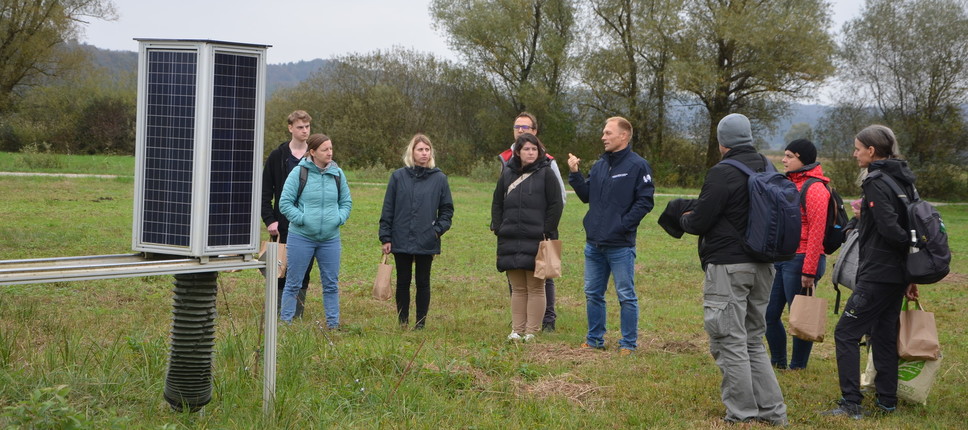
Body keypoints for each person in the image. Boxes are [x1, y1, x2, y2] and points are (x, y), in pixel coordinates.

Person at [679, 113, 787, 426]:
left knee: (729, 340)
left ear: (722, 141)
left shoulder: (722, 172)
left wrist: (683, 218)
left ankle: (742, 413)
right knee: (753, 339)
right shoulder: (768, 166)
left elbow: (700, 220)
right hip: (765, 266)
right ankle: (773, 411)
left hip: (729, 266)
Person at [822, 125, 919, 419]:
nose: (854, 154)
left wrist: (889, 238)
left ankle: (851, 403)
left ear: (872, 151)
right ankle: (887, 400)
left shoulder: (875, 180)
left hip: (878, 273)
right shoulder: (903, 177)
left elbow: (892, 228)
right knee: (885, 334)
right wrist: (909, 267)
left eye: (857, 148)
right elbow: (907, 223)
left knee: (846, 333)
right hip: (898, 273)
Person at [567, 117, 654, 355]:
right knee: (593, 293)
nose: (603, 137)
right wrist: (575, 174)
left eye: (608, 133)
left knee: (625, 295)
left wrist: (622, 225)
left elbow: (645, 201)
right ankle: (595, 339)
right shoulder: (600, 165)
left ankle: (628, 344)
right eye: (603, 133)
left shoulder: (638, 166)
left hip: (620, 245)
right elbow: (587, 196)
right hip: (594, 244)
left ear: (624, 136)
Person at [497, 112, 567, 332]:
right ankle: (518, 328)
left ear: (535, 133)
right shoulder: (507, 168)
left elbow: (558, 201)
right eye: (518, 126)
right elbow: (498, 200)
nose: (521, 131)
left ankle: (544, 324)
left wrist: (547, 228)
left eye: (526, 127)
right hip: (512, 235)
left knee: (542, 283)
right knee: (518, 286)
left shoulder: (548, 168)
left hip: (540, 235)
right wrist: (498, 226)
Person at [765, 139, 829, 370]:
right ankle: (778, 362)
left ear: (803, 159)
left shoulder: (816, 189)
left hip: (802, 260)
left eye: (790, 156)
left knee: (801, 316)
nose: (784, 160)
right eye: (784, 155)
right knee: (768, 314)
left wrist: (809, 270)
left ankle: (798, 366)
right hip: (782, 259)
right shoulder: (789, 183)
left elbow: (817, 232)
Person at [379, 133, 455, 330]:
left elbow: (447, 210)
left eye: (427, 149)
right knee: (403, 281)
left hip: (426, 238)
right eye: (420, 149)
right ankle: (402, 321)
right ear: (411, 152)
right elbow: (388, 208)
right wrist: (386, 236)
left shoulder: (439, 178)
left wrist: (436, 231)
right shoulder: (398, 177)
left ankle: (420, 323)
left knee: (423, 282)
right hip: (400, 237)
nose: (424, 153)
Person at [278, 133, 352, 327]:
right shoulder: (299, 173)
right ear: (312, 152)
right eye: (325, 149)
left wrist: (338, 218)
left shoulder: (338, 174)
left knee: (331, 284)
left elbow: (346, 202)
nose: (330, 152)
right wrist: (302, 219)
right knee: (293, 283)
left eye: (331, 148)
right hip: (301, 237)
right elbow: (284, 203)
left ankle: (333, 325)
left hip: (330, 239)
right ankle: (285, 324)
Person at [261, 110, 313, 318]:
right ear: (290, 128)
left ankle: (297, 312)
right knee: (280, 268)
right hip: (282, 223)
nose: (304, 131)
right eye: (300, 127)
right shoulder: (277, 156)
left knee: (304, 268)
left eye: (307, 127)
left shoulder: (315, 154)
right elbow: (266, 191)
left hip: (308, 223)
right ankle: (278, 311)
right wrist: (269, 219)